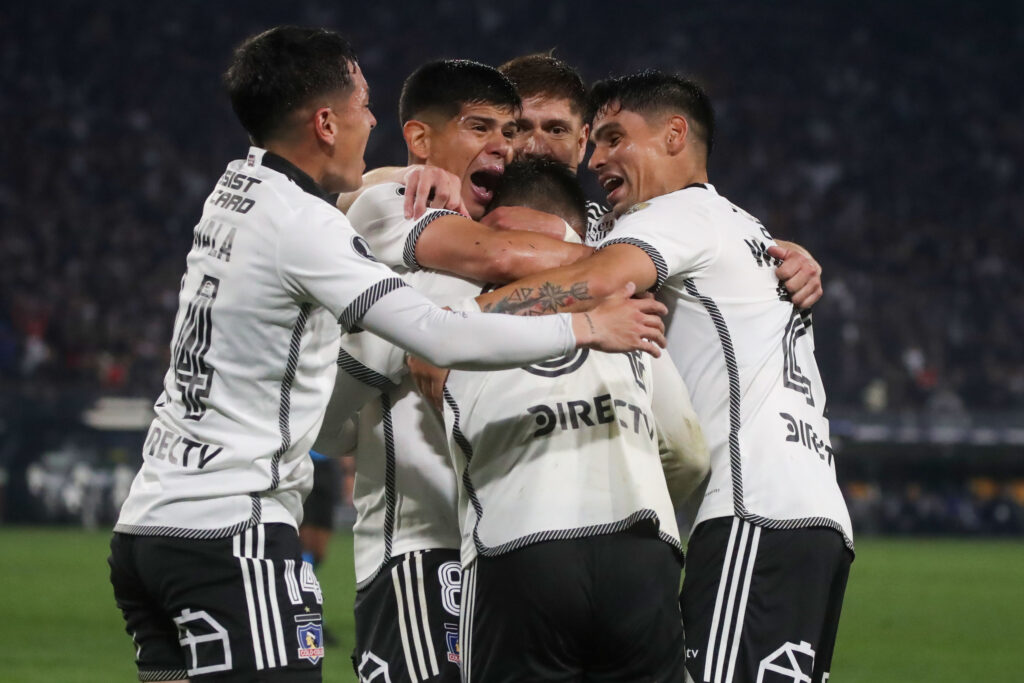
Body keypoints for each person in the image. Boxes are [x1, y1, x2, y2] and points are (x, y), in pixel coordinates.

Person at [105, 28, 667, 683]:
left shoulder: (237, 187)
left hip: (152, 518)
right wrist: (593, 314)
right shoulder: (333, 219)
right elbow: (446, 321)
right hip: (239, 524)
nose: (370, 121)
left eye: (533, 129)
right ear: (324, 121)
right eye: (362, 106)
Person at [472, 71, 852, 683]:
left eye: (614, 137)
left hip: (749, 508)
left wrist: (464, 321)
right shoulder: (741, 227)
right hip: (807, 510)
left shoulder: (672, 215)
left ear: (675, 135)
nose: (598, 159)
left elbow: (598, 280)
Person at [442, 157, 710, 682]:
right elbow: (688, 453)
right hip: (640, 551)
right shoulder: (631, 309)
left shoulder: (454, 308)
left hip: (519, 547)